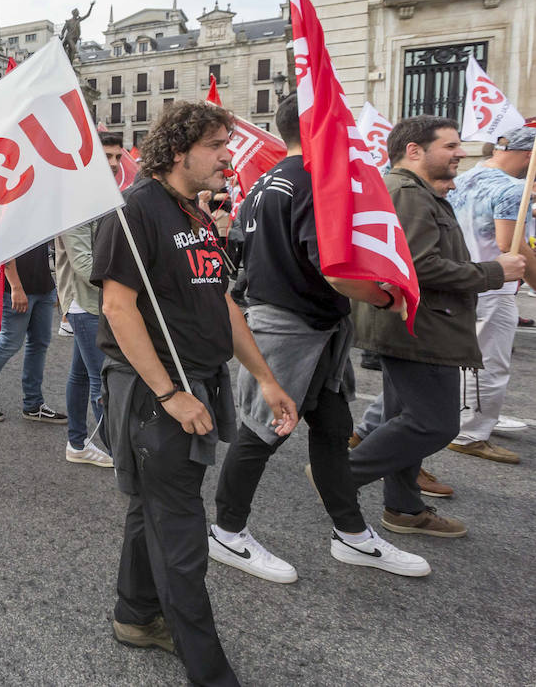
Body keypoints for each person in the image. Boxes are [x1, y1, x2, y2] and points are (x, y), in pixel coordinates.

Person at [92, 101, 297, 685]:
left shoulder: (196, 215)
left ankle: (135, 616)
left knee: (152, 510)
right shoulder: (136, 210)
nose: (228, 156)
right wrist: (169, 394)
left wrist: (264, 376)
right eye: (216, 145)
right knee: (180, 530)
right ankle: (209, 670)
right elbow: (116, 305)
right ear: (179, 150)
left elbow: (221, 302)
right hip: (155, 396)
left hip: (197, 383)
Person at [209, 93, 429, 584]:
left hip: (301, 326)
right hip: (291, 327)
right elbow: (334, 272)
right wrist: (387, 298)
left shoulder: (262, 181)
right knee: (262, 432)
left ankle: (351, 534)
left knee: (331, 428)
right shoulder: (312, 182)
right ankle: (226, 531)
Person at [350, 117, 522, 537]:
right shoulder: (408, 194)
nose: (460, 153)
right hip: (421, 327)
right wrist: (493, 271)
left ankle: (404, 509)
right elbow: (420, 267)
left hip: (416, 324)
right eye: (450, 146)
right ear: (414, 150)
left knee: (404, 418)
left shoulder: (413, 192)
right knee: (436, 424)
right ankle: (341, 475)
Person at [445, 127, 536, 464]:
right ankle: (470, 434)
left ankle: (467, 420)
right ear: (529, 156)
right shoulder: (513, 189)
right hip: (494, 283)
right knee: (489, 363)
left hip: (462, 277)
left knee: (464, 360)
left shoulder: (467, 177)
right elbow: (510, 245)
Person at [53, 132, 123, 467]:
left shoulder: (106, 196)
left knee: (82, 375)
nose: (113, 163)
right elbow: (84, 265)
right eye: (106, 156)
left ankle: (77, 444)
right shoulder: (77, 200)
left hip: (96, 300)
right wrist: (126, 287)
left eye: (117, 157)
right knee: (102, 380)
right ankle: (118, 454)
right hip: (85, 302)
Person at [0, 241, 66, 423]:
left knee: (39, 344)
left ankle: (33, 404)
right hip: (17, 288)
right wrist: (16, 287)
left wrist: (57, 286)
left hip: (44, 286)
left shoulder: (42, 212)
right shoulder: (10, 212)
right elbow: (3, 248)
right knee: (9, 343)